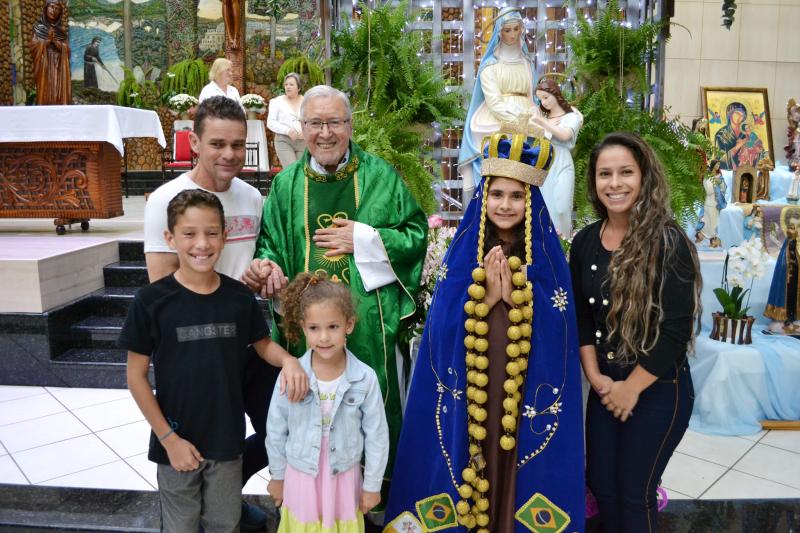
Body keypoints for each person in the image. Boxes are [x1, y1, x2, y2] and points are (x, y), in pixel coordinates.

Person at [241, 85, 427, 526]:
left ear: (350, 125)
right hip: (308, 337)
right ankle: (314, 507)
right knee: (306, 422)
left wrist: (364, 238)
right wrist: (267, 267)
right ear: (300, 129)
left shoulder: (381, 177)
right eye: (315, 124)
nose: (325, 133)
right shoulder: (285, 186)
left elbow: (416, 236)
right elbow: (271, 246)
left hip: (366, 332)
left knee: (374, 418)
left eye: (335, 122)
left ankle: (371, 502)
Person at [385, 132, 585, 533]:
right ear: (484, 196)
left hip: (523, 388)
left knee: (509, 448)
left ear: (530, 200)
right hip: (472, 383)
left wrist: (517, 299)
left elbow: (561, 330)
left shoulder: (545, 257)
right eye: (497, 194)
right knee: (473, 441)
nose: (505, 205)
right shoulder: (464, 254)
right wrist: (488, 296)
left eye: (516, 195)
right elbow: (440, 328)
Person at [120, 190, 308, 532]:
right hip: (176, 442)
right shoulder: (151, 302)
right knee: (181, 526)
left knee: (225, 523)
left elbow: (263, 344)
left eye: (211, 233)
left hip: (226, 442)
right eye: (189, 234)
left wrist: (289, 362)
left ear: (225, 236)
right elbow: (135, 377)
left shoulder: (238, 298)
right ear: (170, 238)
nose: (201, 244)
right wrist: (168, 439)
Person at [143, 96, 279, 531]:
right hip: (195, 346)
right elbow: (163, 287)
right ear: (194, 143)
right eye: (217, 143)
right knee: (200, 441)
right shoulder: (166, 199)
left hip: (247, 338)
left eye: (238, 145)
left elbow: (253, 265)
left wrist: (262, 271)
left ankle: (228, 499)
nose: (229, 155)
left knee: (280, 433)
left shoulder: (252, 198)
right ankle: (217, 510)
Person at [570, 132, 701, 533]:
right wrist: (597, 379)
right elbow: (583, 319)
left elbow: (675, 330)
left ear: (644, 176)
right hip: (606, 386)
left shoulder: (668, 241)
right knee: (603, 492)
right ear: (593, 182)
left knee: (634, 495)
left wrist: (631, 389)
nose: (615, 183)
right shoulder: (585, 241)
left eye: (626, 172)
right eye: (605, 174)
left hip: (660, 386)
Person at [266, 272, 390, 532]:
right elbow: (276, 431)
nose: (323, 337)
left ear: (349, 325)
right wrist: (277, 477)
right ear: (302, 326)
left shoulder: (364, 379)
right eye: (314, 328)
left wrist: (372, 486)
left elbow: (377, 436)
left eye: (332, 327)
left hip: (343, 480)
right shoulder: (290, 376)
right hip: (301, 478)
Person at [458, 7, 541, 208]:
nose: (512, 35)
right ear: (499, 32)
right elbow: (494, 102)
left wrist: (534, 117)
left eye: (516, 29)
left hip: (528, 115)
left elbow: (533, 97)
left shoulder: (526, 63)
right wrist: (517, 120)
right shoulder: (490, 67)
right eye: (507, 30)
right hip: (499, 117)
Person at [531, 77, 583, 237]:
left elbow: (565, 135)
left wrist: (542, 122)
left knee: (561, 207)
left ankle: (564, 241)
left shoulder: (571, 116)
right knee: (545, 207)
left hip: (562, 161)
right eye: (540, 99)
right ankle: (547, 244)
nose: (544, 102)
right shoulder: (544, 119)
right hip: (544, 163)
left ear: (556, 94)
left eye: (546, 97)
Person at [765, 207, 800, 334]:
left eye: (799, 226)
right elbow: (782, 269)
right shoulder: (786, 249)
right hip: (787, 278)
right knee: (784, 293)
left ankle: (794, 319)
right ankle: (779, 320)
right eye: (792, 226)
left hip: (796, 280)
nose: (796, 230)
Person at [30, 0, 71, 105]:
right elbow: (33, 46)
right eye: (52, 7)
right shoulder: (38, 28)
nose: (54, 10)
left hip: (58, 67)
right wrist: (46, 42)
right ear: (46, 8)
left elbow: (68, 50)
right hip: (45, 65)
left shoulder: (61, 32)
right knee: (45, 90)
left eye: (57, 8)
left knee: (59, 92)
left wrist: (57, 43)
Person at [267, 72, 306, 168]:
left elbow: (312, 120)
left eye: (291, 84)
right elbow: (270, 122)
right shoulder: (277, 102)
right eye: (286, 84)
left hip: (303, 141)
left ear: (299, 87)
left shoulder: (306, 101)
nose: (288, 87)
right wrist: (287, 131)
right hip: (284, 141)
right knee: (292, 170)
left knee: (302, 171)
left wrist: (306, 131)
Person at [695, 160, 727, 248]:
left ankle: (712, 240)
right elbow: (708, 191)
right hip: (709, 202)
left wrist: (720, 184)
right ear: (713, 165)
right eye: (717, 164)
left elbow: (724, 187)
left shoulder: (719, 176)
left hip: (716, 203)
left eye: (719, 164)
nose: (718, 166)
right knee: (707, 220)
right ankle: (703, 238)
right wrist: (715, 184)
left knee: (714, 222)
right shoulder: (707, 176)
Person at [715, 101, 749, 170]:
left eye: (742, 115)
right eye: (737, 113)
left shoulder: (746, 134)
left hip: (745, 171)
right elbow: (719, 161)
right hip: (727, 173)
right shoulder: (720, 135)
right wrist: (737, 147)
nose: (740, 117)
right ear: (729, 114)